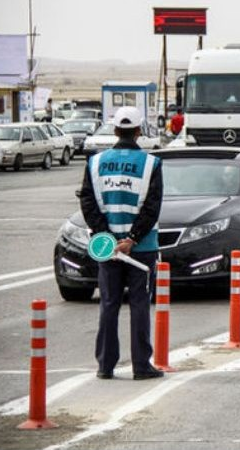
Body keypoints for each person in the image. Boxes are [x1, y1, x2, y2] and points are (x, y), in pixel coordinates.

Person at [79, 106, 164, 381]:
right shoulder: (152, 164)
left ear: (115, 130)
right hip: (142, 249)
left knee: (109, 304)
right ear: (139, 131)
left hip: (108, 249)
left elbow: (88, 203)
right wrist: (132, 239)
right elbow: (152, 207)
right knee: (139, 305)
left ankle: (105, 366)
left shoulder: (95, 163)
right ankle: (141, 366)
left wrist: (107, 237)